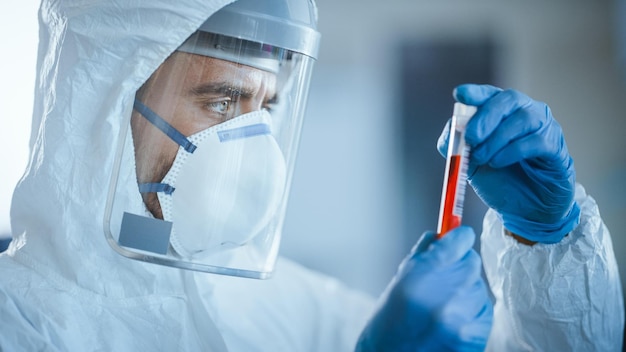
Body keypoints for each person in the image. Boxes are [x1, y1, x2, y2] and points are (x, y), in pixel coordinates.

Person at [0, 0, 622, 351]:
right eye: (221, 103)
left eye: (265, 108)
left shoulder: (275, 307)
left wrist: (548, 244)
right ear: (106, 109)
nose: (250, 146)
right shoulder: (21, 326)